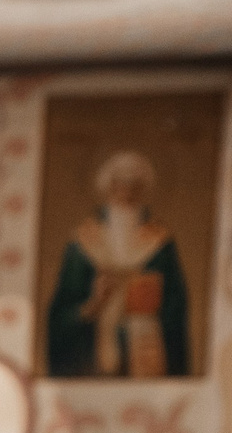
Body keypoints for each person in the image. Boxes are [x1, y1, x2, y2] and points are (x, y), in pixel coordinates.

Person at [46, 149, 191, 378]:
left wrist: (145, 300)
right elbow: (63, 311)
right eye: (120, 183)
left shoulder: (160, 243)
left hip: (145, 341)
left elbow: (175, 306)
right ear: (108, 186)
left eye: (134, 184)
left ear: (144, 188)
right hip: (93, 350)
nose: (127, 190)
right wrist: (93, 304)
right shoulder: (84, 242)